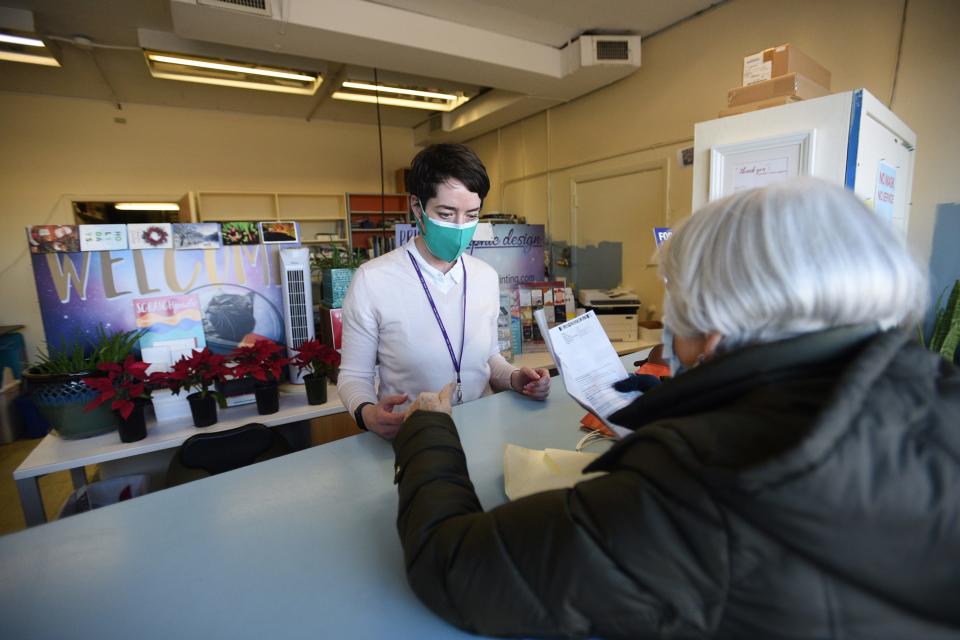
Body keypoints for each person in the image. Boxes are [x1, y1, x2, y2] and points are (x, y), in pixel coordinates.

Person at [390, 179, 960, 638]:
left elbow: (458, 568)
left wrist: (428, 432)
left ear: (714, 329)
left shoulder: (694, 489)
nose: (667, 346)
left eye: (678, 310)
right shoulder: (936, 386)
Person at [337, 144, 550, 439]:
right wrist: (366, 413)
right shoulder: (373, 280)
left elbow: (488, 359)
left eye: (472, 214)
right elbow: (353, 376)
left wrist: (516, 379)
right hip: (413, 438)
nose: (460, 227)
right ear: (417, 207)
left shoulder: (484, 276)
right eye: (447, 214)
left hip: (481, 430)